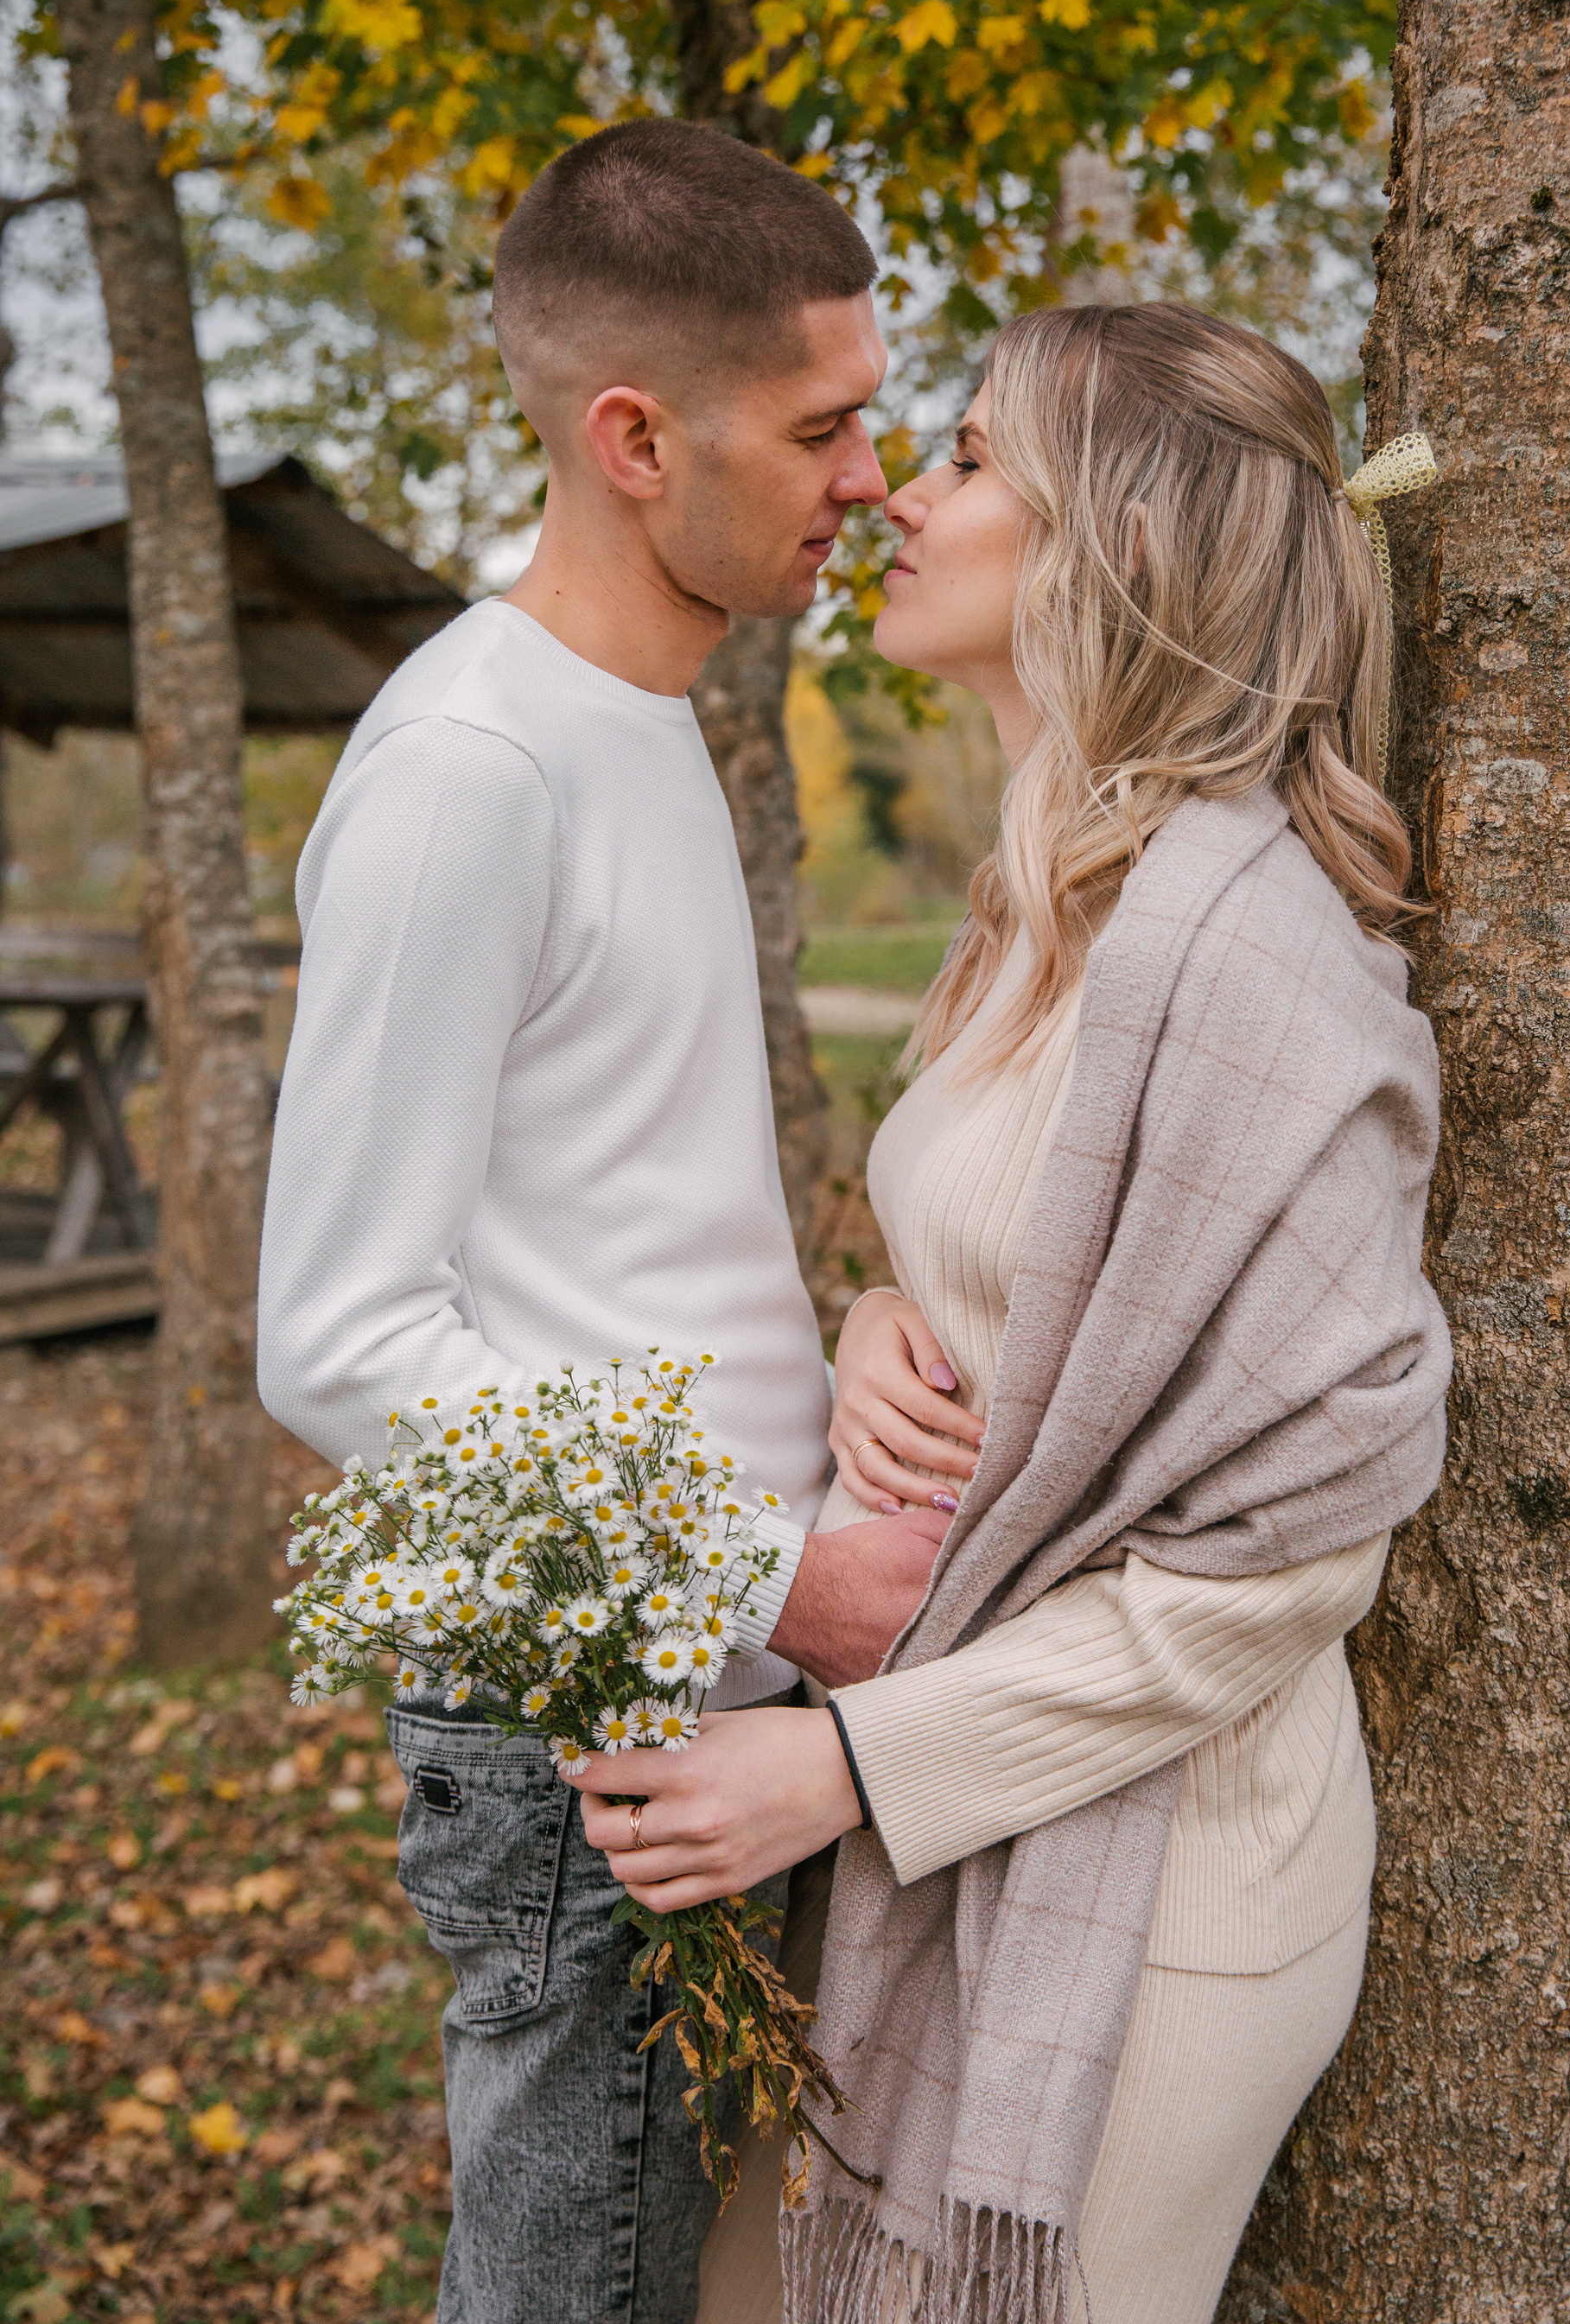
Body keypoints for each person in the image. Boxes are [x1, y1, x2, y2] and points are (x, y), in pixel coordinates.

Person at [582, 302, 1452, 2324]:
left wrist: (851, 1768)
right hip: (959, 1834)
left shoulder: (1243, 960)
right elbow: (1045, 1292)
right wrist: (888, 1317)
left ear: (1114, 552)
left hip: (1155, 1891)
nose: (892, 488)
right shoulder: (1039, 909)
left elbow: (1287, 1560)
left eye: (969, 458)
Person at [256, 119, 947, 2324]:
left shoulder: (642, 718)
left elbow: (620, 1218)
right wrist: (778, 1575)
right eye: (823, 427)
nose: (870, 476)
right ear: (637, 437)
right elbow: (343, 1337)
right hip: (587, 1735)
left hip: (715, 1695)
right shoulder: (476, 768)